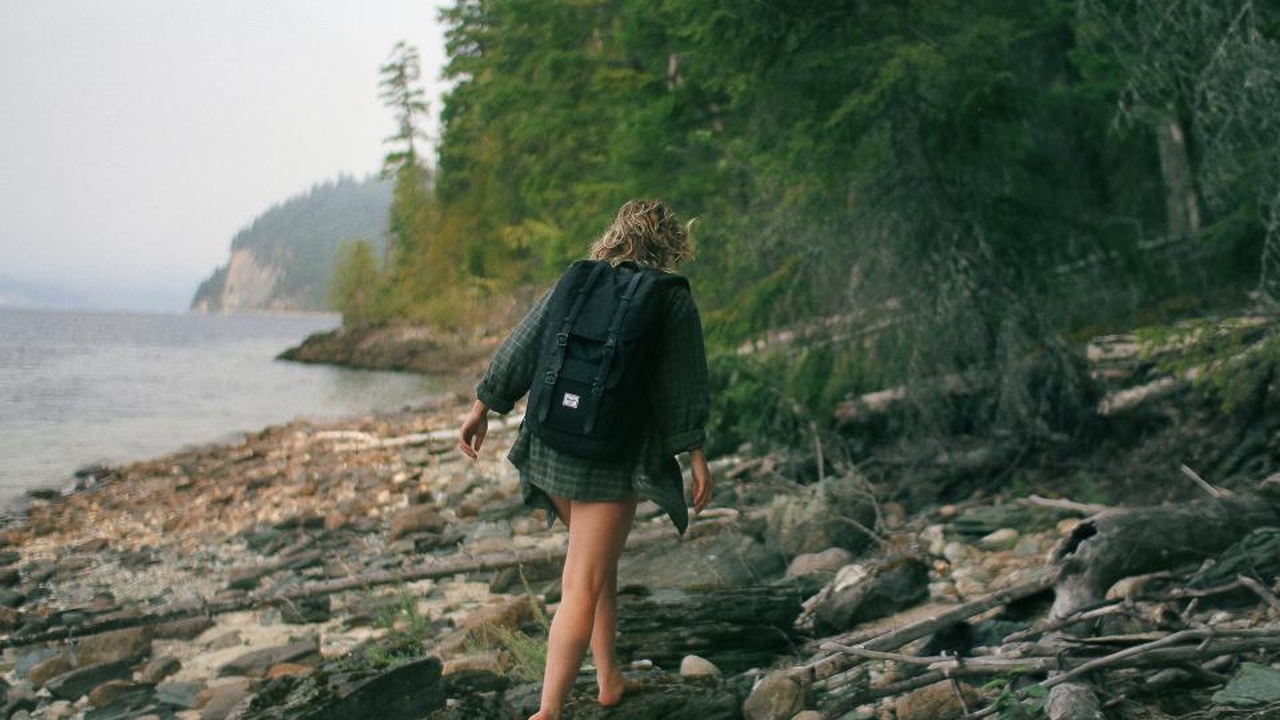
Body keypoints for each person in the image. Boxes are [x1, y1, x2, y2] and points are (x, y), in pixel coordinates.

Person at [458, 198, 713, 720]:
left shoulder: (577, 281)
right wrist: (695, 452)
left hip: (551, 448)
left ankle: (609, 678)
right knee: (583, 580)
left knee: (598, 569)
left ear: (615, 235)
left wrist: (483, 406)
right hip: (612, 459)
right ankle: (548, 712)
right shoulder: (670, 300)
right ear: (670, 246)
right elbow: (682, 384)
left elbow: (522, 345)